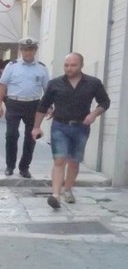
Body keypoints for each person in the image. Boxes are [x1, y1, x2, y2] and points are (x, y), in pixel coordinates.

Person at [33, 52, 110, 209]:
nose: (69, 68)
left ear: (81, 65)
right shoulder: (55, 84)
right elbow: (42, 105)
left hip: (81, 127)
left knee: (74, 162)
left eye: (73, 65)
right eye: (66, 65)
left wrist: (94, 114)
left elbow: (105, 101)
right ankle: (55, 195)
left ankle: (67, 190)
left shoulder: (93, 83)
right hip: (60, 126)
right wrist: (36, 126)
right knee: (59, 160)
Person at [0, 37, 50, 177]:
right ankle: (10, 165)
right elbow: (2, 85)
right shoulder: (11, 66)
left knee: (31, 137)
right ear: (21, 51)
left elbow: (47, 90)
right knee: (11, 135)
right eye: (25, 49)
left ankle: (24, 167)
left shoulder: (42, 68)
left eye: (30, 49)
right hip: (14, 103)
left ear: (35, 51)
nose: (27, 52)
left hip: (34, 105)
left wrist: (48, 106)